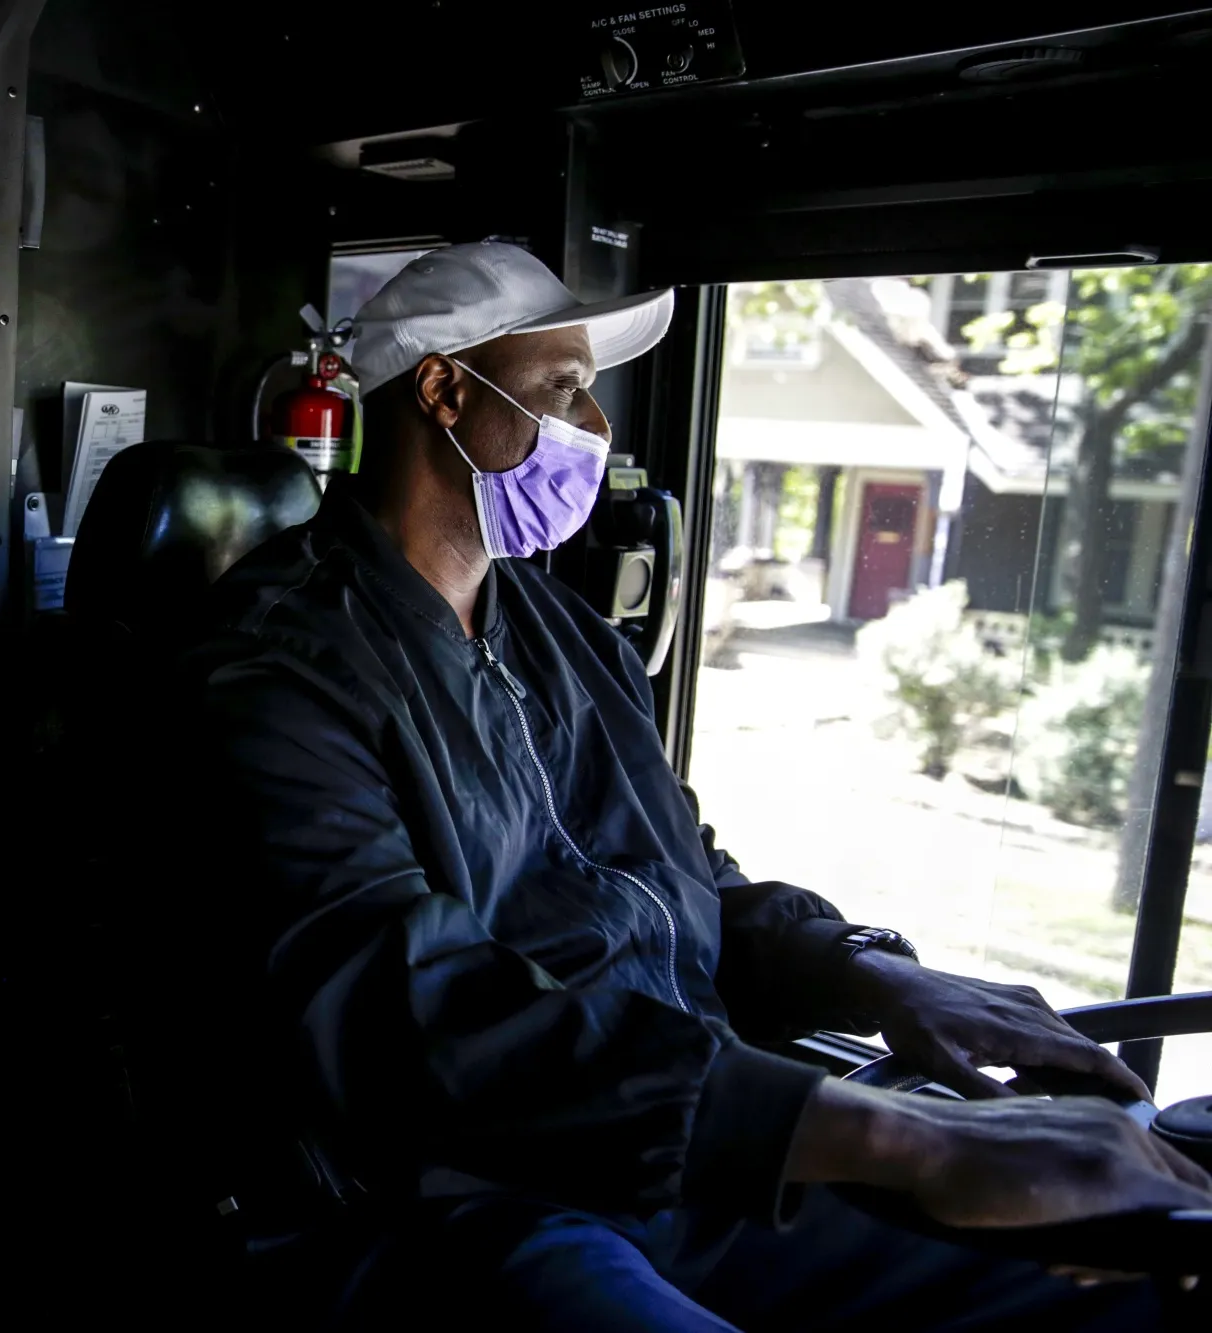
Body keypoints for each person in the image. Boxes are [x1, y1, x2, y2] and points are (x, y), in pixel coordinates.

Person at [171, 242, 1212, 1329]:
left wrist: (869, 975)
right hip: (466, 1201)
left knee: (1130, 1283)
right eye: (562, 388)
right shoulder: (273, 667)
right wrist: (896, 1136)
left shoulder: (564, 636)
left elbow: (679, 876)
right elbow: (405, 1008)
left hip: (679, 1150)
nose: (595, 430)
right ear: (441, 388)